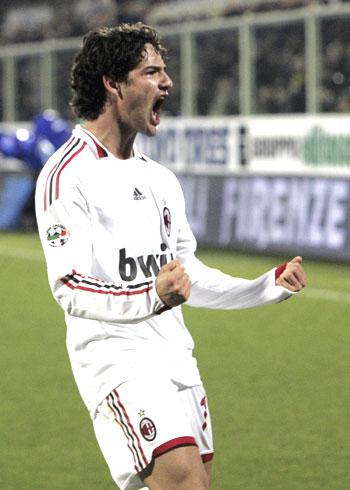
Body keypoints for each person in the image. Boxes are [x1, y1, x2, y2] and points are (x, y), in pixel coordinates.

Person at [35, 23, 306, 490]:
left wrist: (264, 286)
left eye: (165, 71)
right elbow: (70, 286)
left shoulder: (159, 179)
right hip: (117, 362)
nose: (167, 83)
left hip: (176, 360)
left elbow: (186, 277)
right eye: (152, 71)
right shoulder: (66, 176)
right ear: (113, 83)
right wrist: (150, 295)